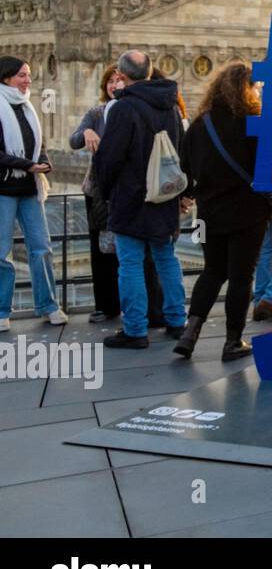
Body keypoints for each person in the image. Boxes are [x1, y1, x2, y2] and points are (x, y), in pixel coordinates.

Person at [175, 60, 271, 361]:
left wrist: (190, 194)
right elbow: (266, 168)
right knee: (241, 277)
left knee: (212, 271)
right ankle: (232, 341)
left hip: (209, 212)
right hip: (248, 210)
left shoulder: (201, 124)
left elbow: (185, 168)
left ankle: (190, 333)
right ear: (248, 89)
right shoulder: (254, 123)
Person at [93, 50, 188, 348]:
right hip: (165, 194)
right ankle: (176, 321)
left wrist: (106, 192)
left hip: (130, 197)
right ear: (149, 73)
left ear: (121, 75)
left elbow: (108, 159)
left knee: (131, 263)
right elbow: (181, 151)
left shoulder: (123, 108)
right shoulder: (171, 105)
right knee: (166, 259)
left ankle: (135, 330)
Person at [0, 56, 66, 332]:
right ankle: (2, 311)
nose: (28, 81)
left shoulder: (27, 107)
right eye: (22, 76)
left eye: (28, 75)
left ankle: (49, 306)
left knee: (41, 248)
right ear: (6, 78)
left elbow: (38, 143)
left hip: (30, 189)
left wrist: (44, 160)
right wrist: (28, 165)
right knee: (2, 254)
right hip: (3, 189)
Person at [71, 66, 125, 323]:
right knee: (101, 248)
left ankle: (133, 305)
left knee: (129, 249)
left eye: (119, 80)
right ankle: (106, 306)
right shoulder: (97, 113)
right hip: (98, 190)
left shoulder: (132, 112)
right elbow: (73, 140)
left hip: (125, 189)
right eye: (110, 82)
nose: (114, 85)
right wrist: (87, 132)